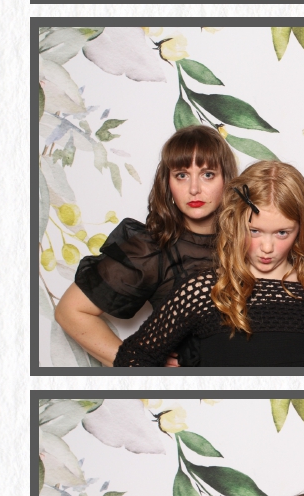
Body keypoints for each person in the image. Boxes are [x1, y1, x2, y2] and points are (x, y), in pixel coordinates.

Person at [105, 162, 304, 369]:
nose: (267, 247)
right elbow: (133, 357)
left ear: (301, 229)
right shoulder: (202, 291)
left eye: (282, 233)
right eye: (254, 231)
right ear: (235, 222)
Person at [54, 125, 238, 366]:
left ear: (227, 180)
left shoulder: (255, 241)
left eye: (208, 174)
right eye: (182, 175)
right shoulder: (153, 249)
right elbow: (70, 311)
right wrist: (140, 363)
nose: (194, 189)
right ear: (168, 183)